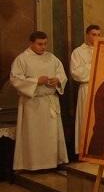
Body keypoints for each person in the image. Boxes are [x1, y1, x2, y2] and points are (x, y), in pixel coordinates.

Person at [10, 31, 68, 170]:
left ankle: (51, 163)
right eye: (39, 44)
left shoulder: (52, 58)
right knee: (33, 137)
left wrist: (58, 80)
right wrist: (36, 81)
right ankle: (32, 164)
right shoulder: (22, 59)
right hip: (32, 103)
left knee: (50, 136)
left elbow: (62, 74)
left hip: (49, 101)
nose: (43, 47)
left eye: (45, 44)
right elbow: (15, 79)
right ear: (31, 43)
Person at [71, 24, 101, 155]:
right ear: (87, 35)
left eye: (99, 35)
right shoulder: (78, 52)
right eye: (94, 34)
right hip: (87, 88)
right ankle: (86, 149)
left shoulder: (103, 50)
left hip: (101, 88)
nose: (96, 37)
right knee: (86, 119)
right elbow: (76, 73)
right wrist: (93, 65)